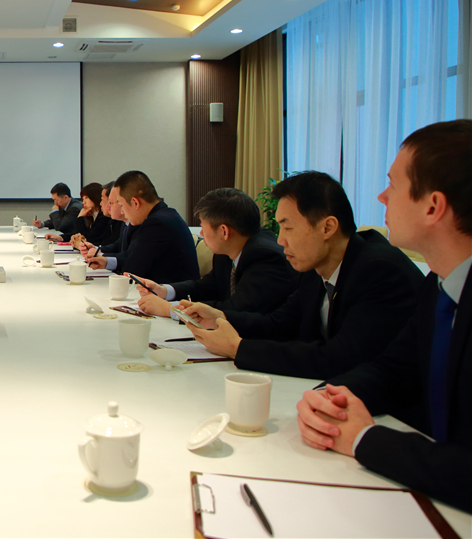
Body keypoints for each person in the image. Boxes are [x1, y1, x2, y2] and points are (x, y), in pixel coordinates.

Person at [296, 120, 472, 513]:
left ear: (433, 206)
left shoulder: (391, 271)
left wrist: (364, 439)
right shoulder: (439, 284)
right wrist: (330, 398)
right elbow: (393, 369)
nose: (381, 196)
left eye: (393, 184)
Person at [183, 171, 423, 380]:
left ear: (327, 227)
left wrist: (238, 349)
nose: (280, 240)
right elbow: (280, 324)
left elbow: (341, 358)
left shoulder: (379, 271)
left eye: (288, 228)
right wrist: (220, 317)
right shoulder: (314, 266)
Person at [134, 188, 297, 316]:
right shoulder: (226, 251)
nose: (201, 233)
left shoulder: (265, 257)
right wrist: (164, 291)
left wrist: (171, 309)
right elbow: (205, 287)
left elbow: (236, 310)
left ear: (223, 232)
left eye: (203, 226)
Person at [86, 171, 199, 283]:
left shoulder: (156, 224)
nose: (122, 211)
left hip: (172, 292)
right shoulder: (166, 214)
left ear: (135, 203)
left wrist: (107, 261)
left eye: (121, 205)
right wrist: (106, 262)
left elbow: (132, 269)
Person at [46, 182, 117, 249]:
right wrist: (61, 238)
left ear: (95, 197)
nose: (83, 202)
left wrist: (80, 218)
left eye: (86, 198)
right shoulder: (93, 214)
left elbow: (89, 237)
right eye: (83, 199)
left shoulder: (104, 217)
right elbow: (83, 234)